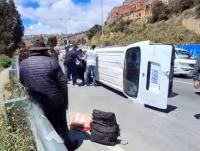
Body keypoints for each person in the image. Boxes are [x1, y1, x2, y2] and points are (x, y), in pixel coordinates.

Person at [19, 39, 78, 151]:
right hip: (55, 100)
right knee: (61, 124)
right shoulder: (51, 61)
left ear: (32, 51)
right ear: (44, 50)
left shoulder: (23, 64)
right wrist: (65, 102)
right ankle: (68, 146)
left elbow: (22, 82)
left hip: (36, 101)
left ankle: (52, 146)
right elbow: (63, 83)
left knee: (46, 126)